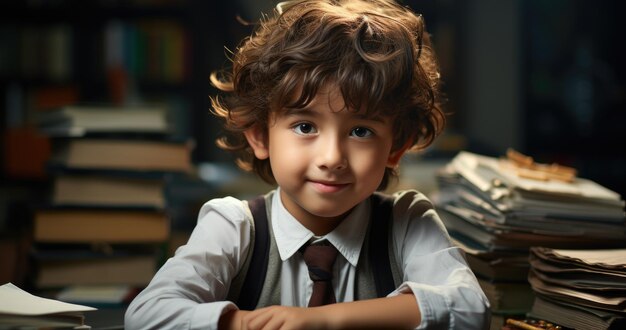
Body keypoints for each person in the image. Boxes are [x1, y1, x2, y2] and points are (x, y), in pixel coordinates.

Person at [125, 0, 490, 329]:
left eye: (361, 131)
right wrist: (241, 323)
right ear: (260, 137)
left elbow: (470, 307)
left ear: (395, 148)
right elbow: (147, 313)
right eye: (305, 127)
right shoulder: (235, 226)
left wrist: (322, 320)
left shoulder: (407, 222)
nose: (331, 158)